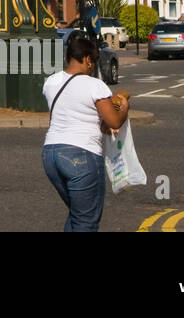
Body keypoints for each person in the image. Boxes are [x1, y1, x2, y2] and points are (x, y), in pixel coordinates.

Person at [41, 35, 129, 232]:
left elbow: (76, 112)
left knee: (78, 214)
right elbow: (114, 121)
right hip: (82, 155)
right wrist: (124, 107)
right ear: (88, 59)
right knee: (86, 221)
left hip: (51, 154)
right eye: (94, 61)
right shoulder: (94, 85)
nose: (93, 66)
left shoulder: (51, 82)